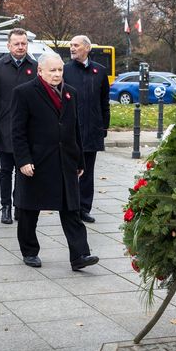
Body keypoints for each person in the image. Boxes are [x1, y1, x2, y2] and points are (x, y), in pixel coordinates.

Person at [11, 52, 99, 270]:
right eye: (52, 70)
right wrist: (23, 160)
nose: (57, 74)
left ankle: (80, 255)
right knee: (29, 209)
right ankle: (29, 251)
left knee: (72, 210)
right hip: (36, 161)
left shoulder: (71, 93)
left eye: (60, 70)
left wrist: (79, 160)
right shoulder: (24, 93)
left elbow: (74, 128)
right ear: (40, 71)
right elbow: (17, 131)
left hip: (64, 161)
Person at [0, 28, 37, 224]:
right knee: (6, 170)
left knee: (24, 170)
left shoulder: (35, 66)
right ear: (8, 45)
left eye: (23, 43)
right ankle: (5, 206)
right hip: (4, 127)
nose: (20, 47)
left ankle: (19, 206)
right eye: (16, 43)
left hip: (28, 129)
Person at [63, 35, 110, 223]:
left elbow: (104, 102)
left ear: (87, 48)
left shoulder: (99, 71)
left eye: (76, 45)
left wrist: (104, 126)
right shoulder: (65, 70)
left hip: (92, 130)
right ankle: (70, 207)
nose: (72, 48)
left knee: (88, 172)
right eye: (71, 45)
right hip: (70, 130)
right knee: (70, 170)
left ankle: (84, 208)